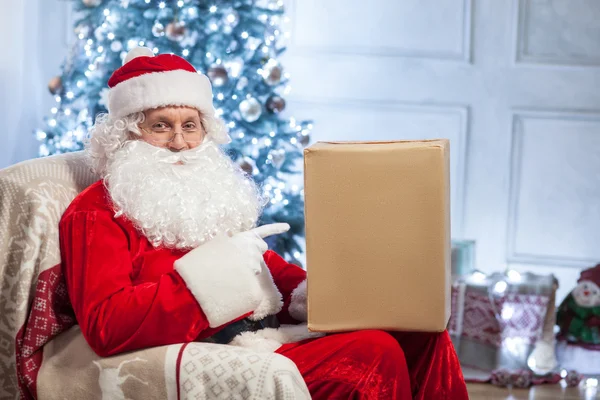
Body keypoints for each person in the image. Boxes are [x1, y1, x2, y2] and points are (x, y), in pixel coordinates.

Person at [59, 47, 468, 399]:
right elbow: (107, 325)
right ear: (126, 134)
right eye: (160, 126)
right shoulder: (95, 213)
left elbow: (258, 266)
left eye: (190, 126)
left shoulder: (201, 188)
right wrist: (211, 280)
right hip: (215, 353)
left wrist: (329, 296)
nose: (180, 143)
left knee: (420, 333)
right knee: (373, 353)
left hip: (264, 333)